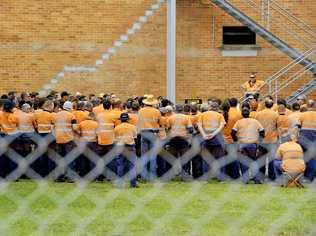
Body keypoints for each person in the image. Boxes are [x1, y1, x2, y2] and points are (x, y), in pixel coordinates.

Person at [232, 108, 265, 184]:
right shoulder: (255, 121)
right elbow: (262, 131)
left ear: (242, 114)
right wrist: (259, 141)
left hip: (242, 144)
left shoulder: (238, 122)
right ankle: (257, 179)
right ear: (249, 114)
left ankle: (245, 179)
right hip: (253, 144)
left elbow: (233, 132)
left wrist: (236, 141)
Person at [198, 101, 226, 181]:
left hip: (205, 138)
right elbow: (221, 126)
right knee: (220, 159)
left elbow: (199, 125)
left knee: (206, 159)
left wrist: (204, 135)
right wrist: (213, 134)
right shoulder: (220, 115)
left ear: (210, 107)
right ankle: (222, 178)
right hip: (217, 139)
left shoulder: (202, 115)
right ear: (217, 108)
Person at [138, 95, 162, 181]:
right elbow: (161, 122)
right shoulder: (157, 111)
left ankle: (143, 176)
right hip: (153, 134)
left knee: (144, 155)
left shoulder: (140, 111)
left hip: (143, 133)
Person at [166, 104, 193, 180]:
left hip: (173, 139)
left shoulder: (170, 118)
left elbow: (167, 129)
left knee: (171, 158)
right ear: (182, 110)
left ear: (175, 110)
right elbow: (190, 129)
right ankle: (185, 175)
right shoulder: (186, 117)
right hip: (183, 139)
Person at [53, 101, 77, 182]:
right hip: (68, 139)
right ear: (70, 107)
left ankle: (58, 177)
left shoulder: (56, 115)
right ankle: (70, 177)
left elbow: (53, 127)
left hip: (58, 138)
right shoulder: (71, 115)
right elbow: (75, 128)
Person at [255, 98, 279, 180]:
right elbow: (277, 126)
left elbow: (256, 127)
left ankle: (261, 177)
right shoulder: (276, 114)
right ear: (272, 105)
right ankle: (272, 177)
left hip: (261, 140)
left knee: (261, 158)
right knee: (272, 159)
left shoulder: (258, 114)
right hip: (272, 139)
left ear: (265, 105)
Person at [114, 113, 138, 188]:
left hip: (120, 146)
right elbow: (135, 137)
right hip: (130, 147)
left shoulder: (117, 128)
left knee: (120, 165)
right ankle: (133, 183)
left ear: (121, 120)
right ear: (128, 119)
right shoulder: (133, 127)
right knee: (132, 165)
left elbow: (115, 138)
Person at [33, 99, 55, 178]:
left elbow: (35, 124)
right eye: (52, 106)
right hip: (49, 135)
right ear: (50, 106)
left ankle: (41, 173)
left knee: (41, 155)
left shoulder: (37, 114)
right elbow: (54, 126)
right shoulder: (51, 115)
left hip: (39, 135)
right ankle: (51, 173)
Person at [96, 100, 117, 180]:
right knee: (111, 158)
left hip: (101, 139)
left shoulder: (99, 115)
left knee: (101, 159)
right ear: (110, 106)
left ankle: (100, 176)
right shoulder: (113, 115)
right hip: (110, 140)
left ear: (103, 106)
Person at [222, 98, 242, 179]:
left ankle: (227, 174)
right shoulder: (239, 114)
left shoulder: (224, 113)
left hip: (224, 139)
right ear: (237, 104)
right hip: (234, 139)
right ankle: (235, 175)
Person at [297, 102, 316, 183]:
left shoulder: (302, 115)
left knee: (303, 158)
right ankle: (310, 177)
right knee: (313, 158)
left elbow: (297, 127)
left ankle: (303, 176)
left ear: (307, 106)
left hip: (303, 139)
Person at [76, 112, 98, 178]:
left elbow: (76, 130)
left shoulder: (82, 123)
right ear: (93, 117)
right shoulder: (96, 124)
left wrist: (80, 135)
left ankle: (83, 173)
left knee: (83, 158)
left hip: (83, 142)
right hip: (93, 142)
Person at [0, 100, 19, 179]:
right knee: (12, 156)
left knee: (2, 156)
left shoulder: (0, 114)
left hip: (2, 135)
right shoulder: (14, 116)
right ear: (11, 108)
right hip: (12, 136)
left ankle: (2, 174)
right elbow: (17, 124)